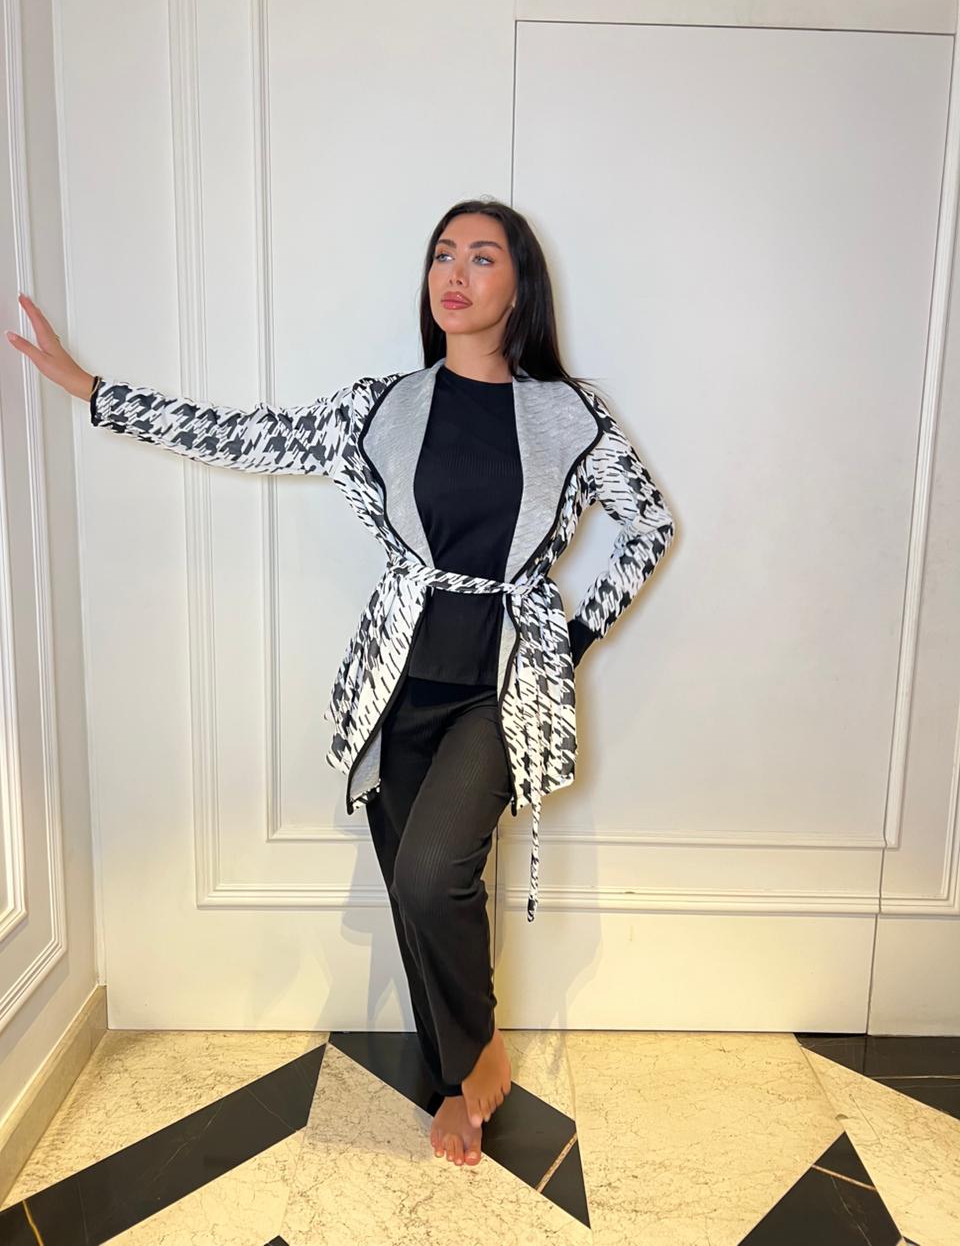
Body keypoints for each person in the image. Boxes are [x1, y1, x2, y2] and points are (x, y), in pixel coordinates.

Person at [5, 197, 675, 1171]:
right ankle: (457, 1071)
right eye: (444, 253)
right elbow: (250, 433)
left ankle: (480, 1053)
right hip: (400, 676)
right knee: (416, 884)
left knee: (430, 869)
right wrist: (92, 389)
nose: (456, 272)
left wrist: (567, 634)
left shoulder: (567, 413)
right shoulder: (385, 403)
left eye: (482, 257)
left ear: (519, 285)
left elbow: (649, 523)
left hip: (501, 682)